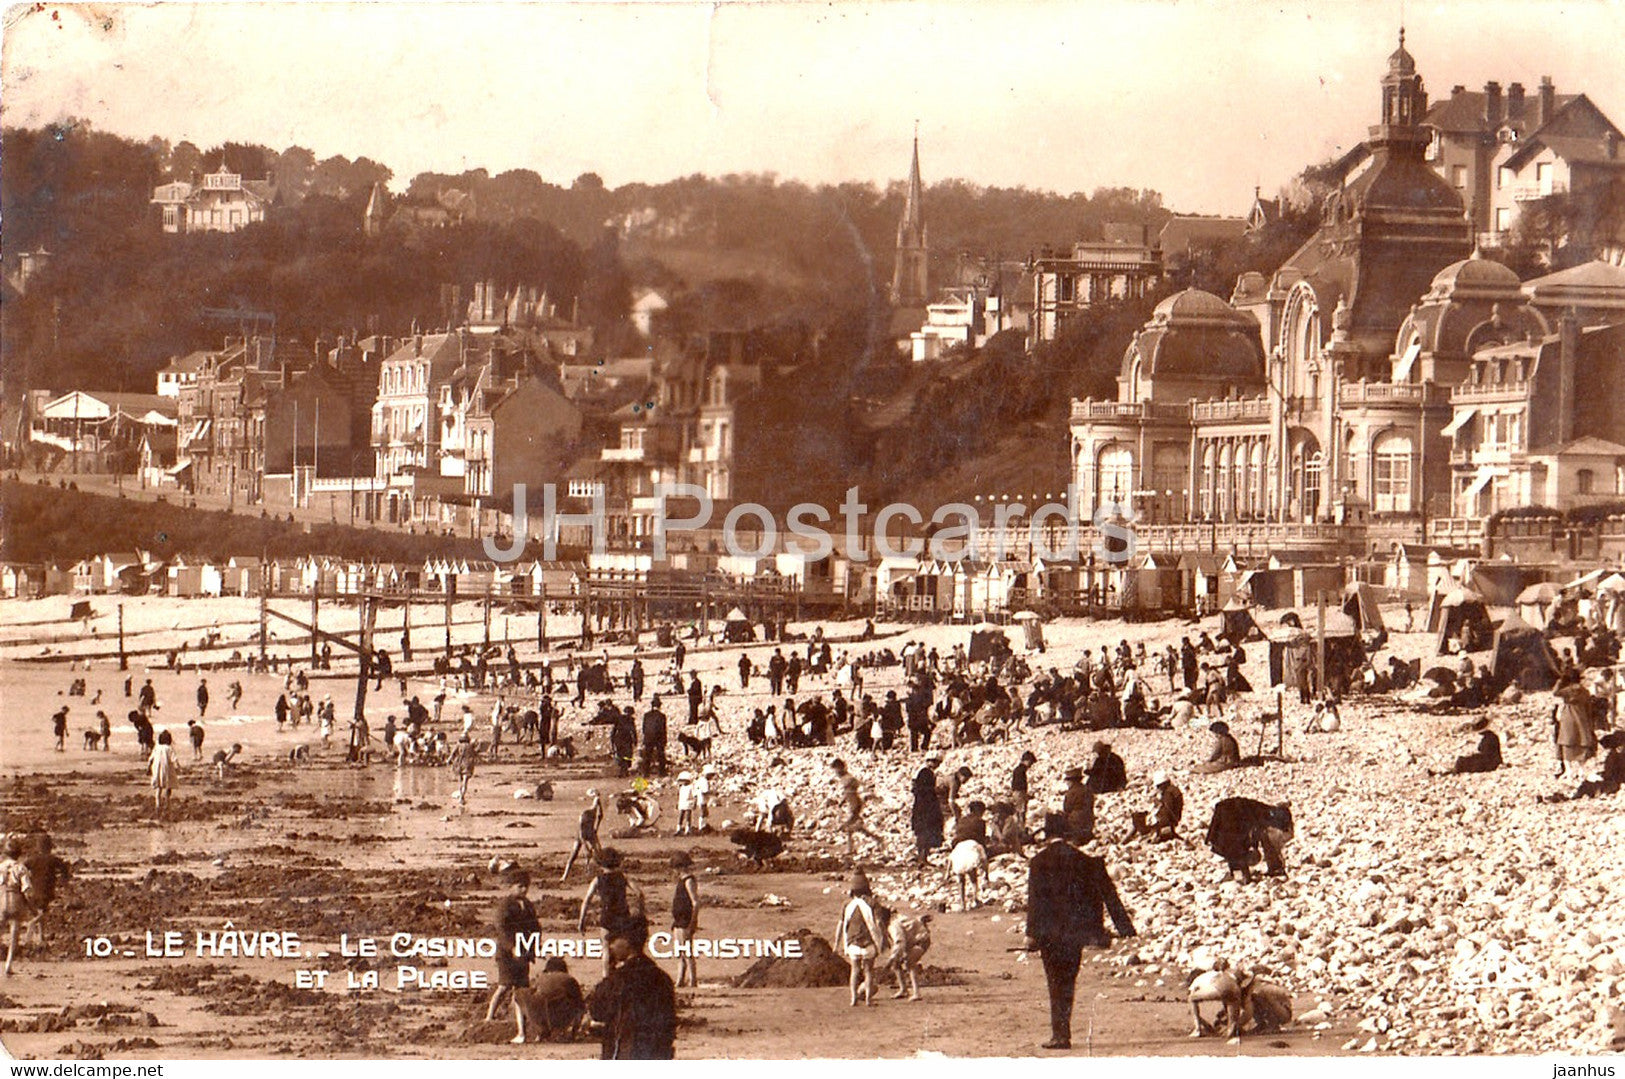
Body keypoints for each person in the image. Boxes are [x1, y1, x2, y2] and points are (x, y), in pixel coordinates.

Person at [1025, 813, 1137, 1050]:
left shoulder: (1038, 862)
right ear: (1067, 835)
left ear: (1047, 835)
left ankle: (1060, 1034)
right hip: (1075, 933)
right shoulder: (1085, 860)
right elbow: (1108, 893)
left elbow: (1035, 902)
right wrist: (1124, 928)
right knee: (1068, 979)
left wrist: (1031, 934)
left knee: (1054, 981)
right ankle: (1063, 1031)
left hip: (1048, 933)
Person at [587, 917, 676, 1059]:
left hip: (626, 1053)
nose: (610, 946)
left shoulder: (619, 979)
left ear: (626, 942)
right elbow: (670, 1023)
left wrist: (610, 970)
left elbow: (597, 1010)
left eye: (614, 941)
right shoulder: (662, 978)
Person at [486, 868, 542, 1043]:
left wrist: (534, 946)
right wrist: (512, 948)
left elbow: (535, 926)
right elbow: (501, 928)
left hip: (523, 952)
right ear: (511, 887)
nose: (524, 890)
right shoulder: (505, 906)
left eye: (526, 886)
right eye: (520, 886)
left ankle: (521, 1027)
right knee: (504, 986)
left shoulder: (528, 905)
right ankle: (489, 1017)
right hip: (506, 953)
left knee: (521, 990)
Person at [1206, 797, 1294, 883]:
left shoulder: (1229, 821)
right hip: (1246, 818)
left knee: (1239, 847)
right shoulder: (1235, 823)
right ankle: (1274, 868)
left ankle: (1272, 868)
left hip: (1239, 818)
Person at [578, 848, 636, 974]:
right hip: (623, 915)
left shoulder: (598, 880)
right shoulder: (623, 877)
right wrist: (639, 910)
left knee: (606, 950)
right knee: (624, 949)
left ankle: (606, 978)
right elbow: (639, 893)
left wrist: (581, 920)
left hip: (607, 915)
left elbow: (587, 900)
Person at [834, 870, 884, 1007]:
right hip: (869, 943)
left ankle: (853, 998)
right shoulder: (873, 903)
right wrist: (882, 940)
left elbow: (841, 925)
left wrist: (836, 944)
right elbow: (879, 924)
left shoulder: (847, 905)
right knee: (868, 971)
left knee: (854, 970)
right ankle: (868, 999)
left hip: (852, 943)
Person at [830, 759, 882, 858]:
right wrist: (842, 801)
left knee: (847, 827)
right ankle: (876, 839)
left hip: (855, 805)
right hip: (852, 805)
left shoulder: (849, 779)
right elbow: (848, 793)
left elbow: (857, 791)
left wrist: (869, 797)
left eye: (835, 770)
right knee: (855, 828)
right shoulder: (844, 779)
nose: (835, 773)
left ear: (840, 768)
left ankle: (851, 849)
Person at [1, 836, 34, 976]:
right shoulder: (21, 868)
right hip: (15, 899)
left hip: (1, 898)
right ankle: (8, 965)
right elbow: (26, 889)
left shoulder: (0, 867)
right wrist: (31, 904)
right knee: (14, 934)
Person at [670, 853, 701, 988]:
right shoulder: (682, 880)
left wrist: (693, 921)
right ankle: (680, 979)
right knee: (680, 951)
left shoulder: (689, 880)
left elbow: (695, 902)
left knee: (687, 952)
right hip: (678, 920)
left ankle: (693, 980)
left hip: (685, 920)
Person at [561, 790, 604, 882]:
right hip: (582, 834)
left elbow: (600, 816)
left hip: (591, 832)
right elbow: (581, 834)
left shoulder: (595, 810)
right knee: (574, 854)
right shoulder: (585, 814)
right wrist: (586, 847)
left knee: (599, 852)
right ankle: (565, 876)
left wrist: (596, 829)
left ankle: (600, 871)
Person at [910, 759, 945, 864]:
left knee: (921, 835)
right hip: (928, 811)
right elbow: (928, 792)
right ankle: (923, 858)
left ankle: (921, 857)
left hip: (920, 811)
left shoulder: (919, 787)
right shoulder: (927, 776)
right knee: (928, 833)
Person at [1060, 766, 1094, 843]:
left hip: (1075, 823)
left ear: (1071, 781)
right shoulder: (1087, 789)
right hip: (1089, 822)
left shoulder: (1071, 792)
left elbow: (1067, 809)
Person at [149, 729, 178, 816]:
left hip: (157, 769)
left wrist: (148, 768)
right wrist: (179, 768)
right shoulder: (169, 748)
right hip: (167, 769)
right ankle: (167, 803)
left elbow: (151, 759)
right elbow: (174, 759)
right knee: (168, 786)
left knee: (158, 787)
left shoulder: (157, 748)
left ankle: (158, 804)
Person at [640, 698, 669, 778]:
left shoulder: (646, 715)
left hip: (648, 737)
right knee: (661, 755)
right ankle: (662, 772)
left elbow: (644, 728)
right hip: (659, 737)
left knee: (647, 756)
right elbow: (663, 729)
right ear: (659, 706)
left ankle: (646, 773)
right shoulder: (662, 716)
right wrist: (664, 740)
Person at [450, 733, 476, 810]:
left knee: (460, 781)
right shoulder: (470, 746)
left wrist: (449, 761)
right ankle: (462, 797)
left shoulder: (458, 745)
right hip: (468, 765)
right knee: (465, 782)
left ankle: (461, 797)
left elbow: (452, 754)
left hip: (459, 764)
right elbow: (475, 755)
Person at [1011, 750, 1036, 827]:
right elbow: (1020, 786)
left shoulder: (1017, 770)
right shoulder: (1021, 770)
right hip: (1020, 794)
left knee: (1018, 813)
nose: (1030, 765)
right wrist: (1026, 795)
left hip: (1017, 794)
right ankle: (1020, 831)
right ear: (1027, 761)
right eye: (1030, 763)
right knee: (1021, 813)